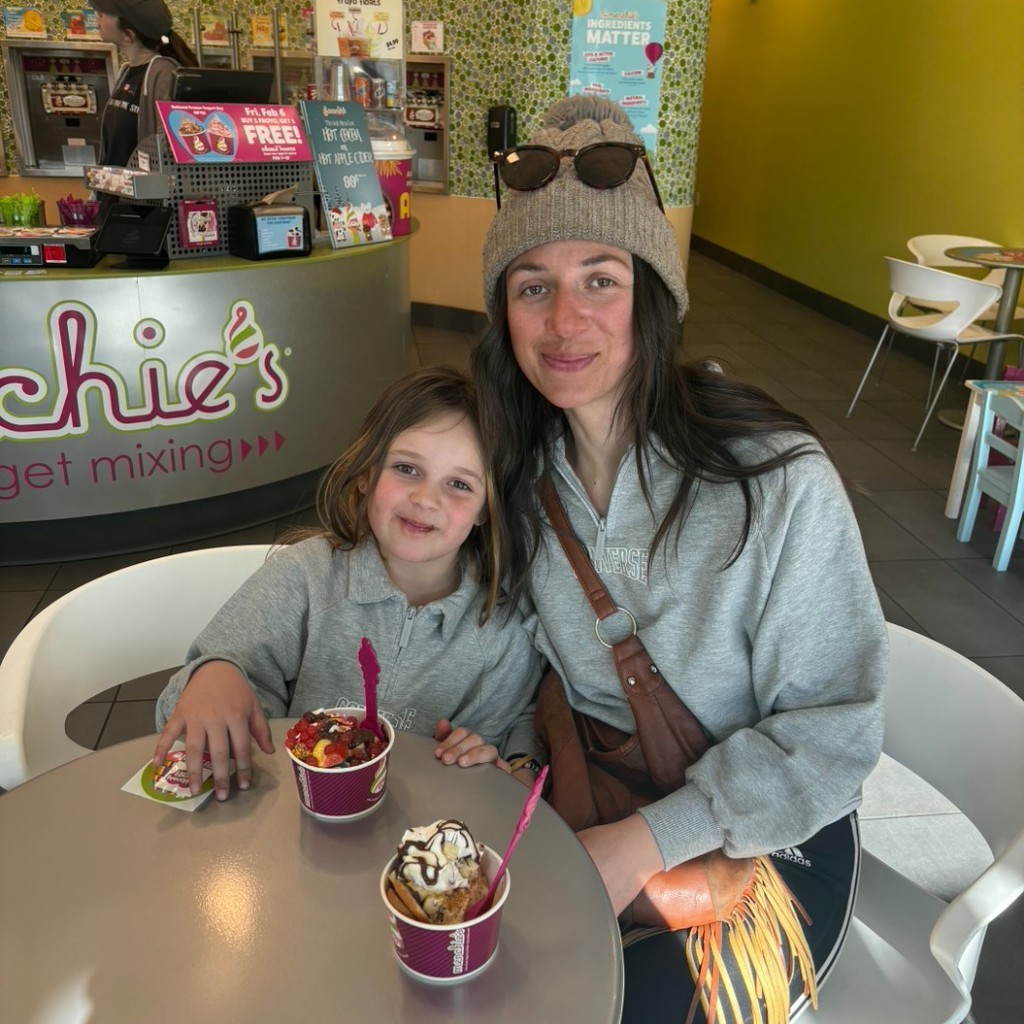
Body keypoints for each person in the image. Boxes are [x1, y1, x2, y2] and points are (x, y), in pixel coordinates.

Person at [473, 95, 887, 1023]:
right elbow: (459, 619)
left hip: (766, 841)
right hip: (586, 799)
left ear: (653, 295)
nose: (564, 320)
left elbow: (835, 732)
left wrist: (647, 842)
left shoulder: (772, 480)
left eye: (600, 278)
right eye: (532, 284)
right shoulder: (510, 468)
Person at [154, 367, 543, 802]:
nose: (426, 499)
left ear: (485, 510)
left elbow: (497, 752)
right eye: (406, 468)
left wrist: (487, 757)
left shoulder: (504, 631)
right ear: (365, 474)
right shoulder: (304, 576)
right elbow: (180, 716)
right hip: (283, 816)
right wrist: (213, 675)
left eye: (459, 484)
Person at [90, 0, 198, 169]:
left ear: (129, 34)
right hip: (113, 193)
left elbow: (170, 148)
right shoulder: (127, 72)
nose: (98, 16)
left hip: (141, 194)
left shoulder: (163, 73)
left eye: (105, 13)